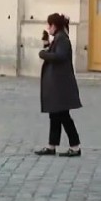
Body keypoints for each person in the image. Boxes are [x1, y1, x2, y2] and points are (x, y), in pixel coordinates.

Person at [34, 12, 82, 157]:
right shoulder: (58, 38)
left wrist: (43, 54)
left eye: (49, 26)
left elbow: (59, 56)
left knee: (64, 117)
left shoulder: (63, 39)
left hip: (61, 85)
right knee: (54, 116)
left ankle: (75, 147)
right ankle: (51, 146)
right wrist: (46, 44)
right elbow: (54, 52)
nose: (48, 28)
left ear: (54, 26)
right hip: (57, 84)